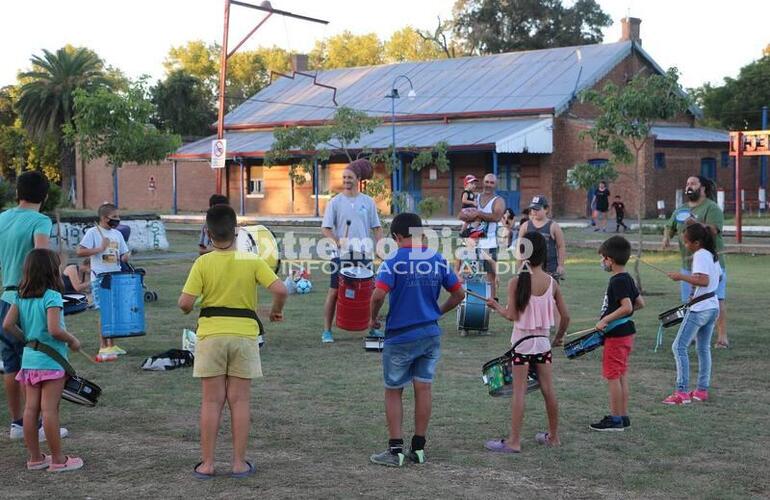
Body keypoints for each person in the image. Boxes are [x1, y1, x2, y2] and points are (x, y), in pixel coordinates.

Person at [178, 204, 287, 479]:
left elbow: (184, 304)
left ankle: (207, 463)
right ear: (237, 231)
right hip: (244, 335)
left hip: (211, 336)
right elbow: (280, 289)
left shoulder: (202, 263)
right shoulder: (250, 261)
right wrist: (275, 311)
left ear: (208, 233)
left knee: (211, 401)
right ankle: (239, 463)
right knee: (240, 401)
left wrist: (196, 302)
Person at [369, 212, 465, 466]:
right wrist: (437, 313)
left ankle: (395, 451)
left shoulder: (392, 261)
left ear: (397, 237)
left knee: (393, 391)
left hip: (400, 336)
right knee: (423, 389)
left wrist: (372, 318)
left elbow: (378, 295)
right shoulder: (437, 259)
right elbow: (459, 294)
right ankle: (419, 448)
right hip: (429, 334)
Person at [484, 231, 569, 453]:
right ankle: (554, 437)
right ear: (544, 253)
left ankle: (514, 441)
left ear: (523, 254)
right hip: (542, 344)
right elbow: (566, 317)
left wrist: (496, 306)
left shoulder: (516, 282)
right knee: (548, 390)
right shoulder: (552, 282)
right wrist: (558, 338)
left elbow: (511, 315)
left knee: (519, 391)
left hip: (521, 345)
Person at [0, 171, 67, 442]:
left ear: (18, 193)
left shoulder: (2, 218)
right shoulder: (40, 220)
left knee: (11, 363)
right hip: (30, 299)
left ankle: (17, 422)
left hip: (6, 298)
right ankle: (37, 424)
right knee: (35, 361)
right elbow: (41, 257)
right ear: (46, 196)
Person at [2, 249, 83, 472]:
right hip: (50, 362)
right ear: (51, 271)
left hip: (29, 361)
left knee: (30, 410)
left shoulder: (19, 295)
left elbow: (7, 325)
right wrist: (73, 341)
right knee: (49, 411)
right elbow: (54, 329)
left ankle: (36, 458)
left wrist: (27, 339)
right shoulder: (52, 296)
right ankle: (58, 460)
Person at [320, 159, 382, 343]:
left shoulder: (368, 202)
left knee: (369, 292)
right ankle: (327, 331)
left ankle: (371, 328)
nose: (346, 180)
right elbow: (326, 228)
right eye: (344, 177)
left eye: (350, 177)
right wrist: (337, 241)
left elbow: (376, 227)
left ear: (358, 179)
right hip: (340, 255)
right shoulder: (335, 202)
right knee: (334, 291)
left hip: (363, 254)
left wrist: (380, 246)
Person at [663, 176, 728, 348]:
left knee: (717, 299)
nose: (689, 186)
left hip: (712, 264)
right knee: (690, 301)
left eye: (693, 183)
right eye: (687, 184)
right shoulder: (681, 209)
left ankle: (722, 337)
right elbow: (669, 226)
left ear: (703, 188)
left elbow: (714, 230)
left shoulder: (711, 207)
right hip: (688, 265)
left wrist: (695, 223)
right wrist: (666, 237)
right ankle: (692, 335)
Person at [590, 236, 644, 432]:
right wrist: (620, 316)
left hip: (617, 336)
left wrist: (606, 319)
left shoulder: (617, 280)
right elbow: (639, 304)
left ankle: (615, 419)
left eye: (603, 258)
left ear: (610, 260)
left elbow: (627, 306)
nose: (602, 262)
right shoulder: (627, 278)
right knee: (621, 375)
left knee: (613, 375)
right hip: (626, 333)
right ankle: (622, 416)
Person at [662, 224, 721, 405]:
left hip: (700, 310)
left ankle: (682, 392)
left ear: (696, 242)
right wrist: (692, 293)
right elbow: (715, 279)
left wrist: (681, 277)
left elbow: (703, 280)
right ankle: (701, 391)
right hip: (712, 307)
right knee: (703, 349)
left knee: (678, 347)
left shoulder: (700, 254)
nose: (685, 245)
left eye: (687, 242)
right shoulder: (712, 255)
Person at [76, 203, 130, 360]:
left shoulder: (117, 234)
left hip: (115, 276)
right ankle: (102, 346)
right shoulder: (93, 232)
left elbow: (124, 252)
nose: (117, 220)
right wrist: (99, 249)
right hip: (100, 277)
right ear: (103, 218)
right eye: (114, 217)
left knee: (114, 311)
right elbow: (79, 251)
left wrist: (126, 256)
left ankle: (112, 344)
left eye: (118, 216)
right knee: (104, 312)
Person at [458, 174, 505, 299]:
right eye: (487, 182)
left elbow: (496, 217)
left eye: (491, 182)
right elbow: (461, 215)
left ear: (495, 185)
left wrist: (477, 213)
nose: (489, 184)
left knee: (490, 274)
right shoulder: (474, 197)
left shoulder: (498, 200)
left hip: (490, 241)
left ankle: (492, 301)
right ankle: (469, 300)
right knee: (470, 271)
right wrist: (476, 215)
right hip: (473, 240)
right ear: (483, 183)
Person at [518, 196, 566, 280]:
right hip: (530, 267)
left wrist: (561, 265)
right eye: (532, 209)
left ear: (546, 209)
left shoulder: (553, 226)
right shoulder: (525, 226)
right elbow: (520, 247)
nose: (534, 212)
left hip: (549, 268)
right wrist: (519, 265)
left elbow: (561, 246)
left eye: (537, 209)